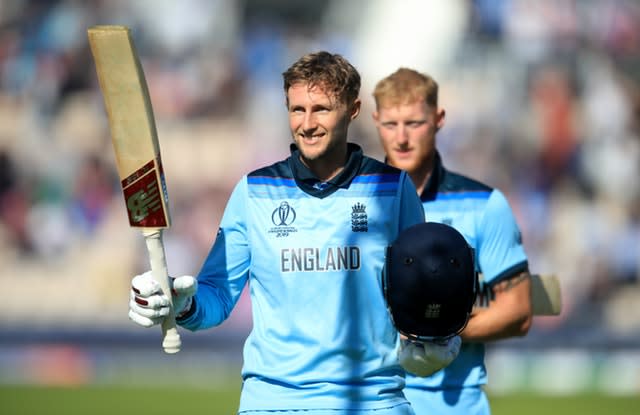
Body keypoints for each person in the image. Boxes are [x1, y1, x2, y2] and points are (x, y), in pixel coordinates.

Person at [128, 52, 461, 415]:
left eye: (321, 109)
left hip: (373, 402)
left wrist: (433, 338)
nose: (307, 123)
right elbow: (218, 296)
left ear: (352, 109)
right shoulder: (253, 191)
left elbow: (420, 291)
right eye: (297, 109)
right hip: (273, 403)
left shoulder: (393, 190)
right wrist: (182, 303)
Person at [372, 68, 533, 415]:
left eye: (414, 123)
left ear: (439, 119)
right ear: (375, 121)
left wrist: (443, 332)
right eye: (390, 124)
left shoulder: (483, 204)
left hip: (456, 404)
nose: (401, 138)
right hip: (372, 400)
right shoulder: (352, 204)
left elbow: (518, 310)